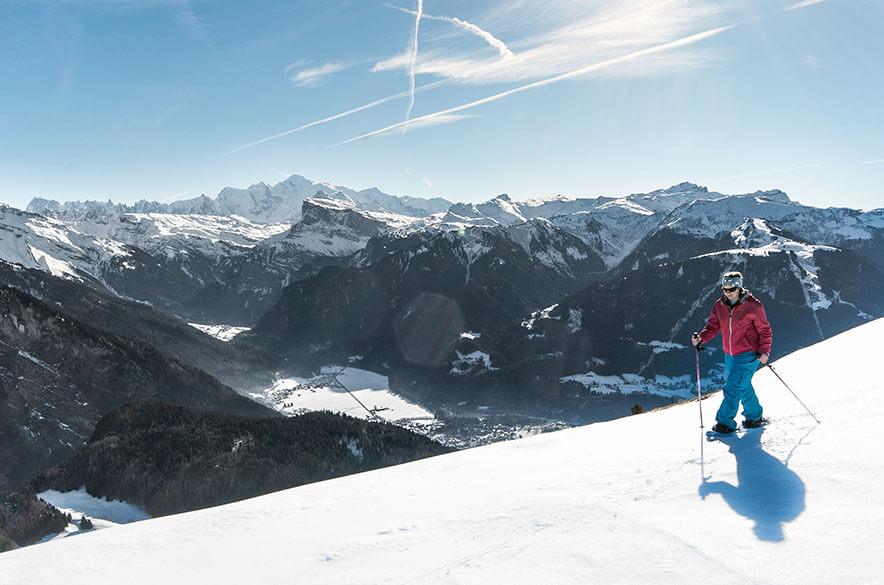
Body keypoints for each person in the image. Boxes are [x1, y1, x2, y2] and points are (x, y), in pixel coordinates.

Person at [691, 271, 772, 434]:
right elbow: (713, 326)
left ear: (739, 287)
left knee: (733, 387)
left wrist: (764, 351)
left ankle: (725, 423)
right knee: (743, 385)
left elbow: (764, 330)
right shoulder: (719, 305)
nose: (728, 293)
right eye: (725, 290)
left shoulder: (754, 306)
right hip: (730, 354)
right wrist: (701, 338)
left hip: (749, 353)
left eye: (731, 289)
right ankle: (754, 417)